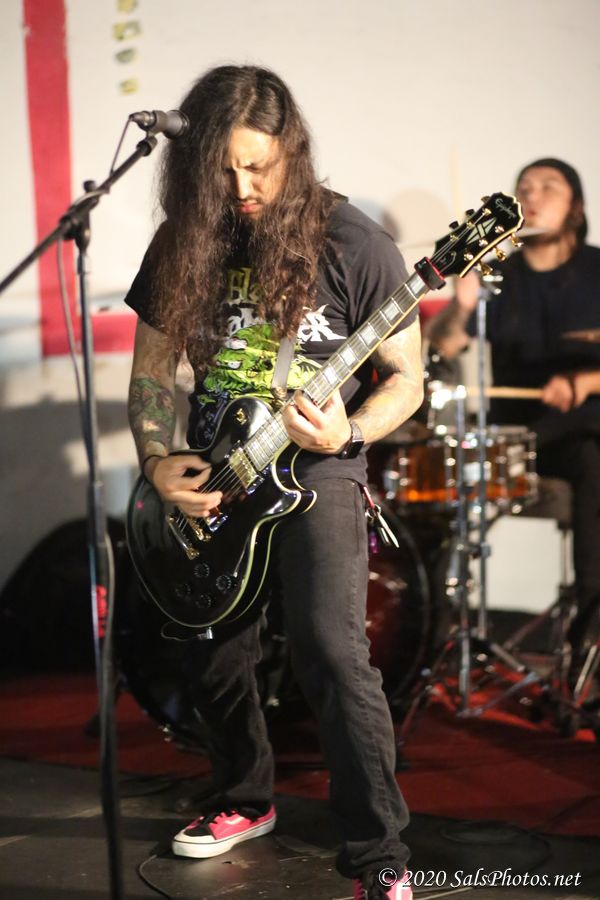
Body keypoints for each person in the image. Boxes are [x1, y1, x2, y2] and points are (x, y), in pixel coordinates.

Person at [125, 65, 423, 899]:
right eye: (222, 170)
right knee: (209, 645)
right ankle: (243, 797)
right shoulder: (185, 240)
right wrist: (156, 459)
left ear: (292, 152)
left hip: (315, 467)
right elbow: (152, 373)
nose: (242, 187)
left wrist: (350, 430)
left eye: (258, 166)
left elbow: (407, 377)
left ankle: (380, 857)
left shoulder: (355, 242)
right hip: (217, 473)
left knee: (332, 650)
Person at [427, 158, 600, 669]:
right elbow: (442, 348)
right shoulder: (497, 272)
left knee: (592, 456)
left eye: (549, 187)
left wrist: (584, 382)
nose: (533, 196)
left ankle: (590, 638)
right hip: (514, 437)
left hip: (581, 436)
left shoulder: (597, 270)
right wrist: (461, 305)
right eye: (524, 188)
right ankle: (428, 630)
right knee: (430, 472)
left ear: (576, 208)